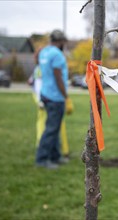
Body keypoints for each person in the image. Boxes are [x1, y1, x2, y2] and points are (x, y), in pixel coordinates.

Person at [35, 30, 72, 169]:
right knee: (51, 129)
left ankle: (55, 156)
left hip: (45, 93)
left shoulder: (44, 51)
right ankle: (42, 159)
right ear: (61, 41)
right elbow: (58, 77)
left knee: (54, 127)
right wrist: (66, 96)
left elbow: (39, 66)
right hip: (55, 97)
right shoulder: (57, 54)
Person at [31, 48, 71, 159]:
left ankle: (56, 154)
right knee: (49, 128)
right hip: (48, 99)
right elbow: (37, 85)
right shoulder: (41, 69)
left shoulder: (41, 68)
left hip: (48, 99)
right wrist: (39, 101)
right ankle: (42, 155)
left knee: (54, 128)